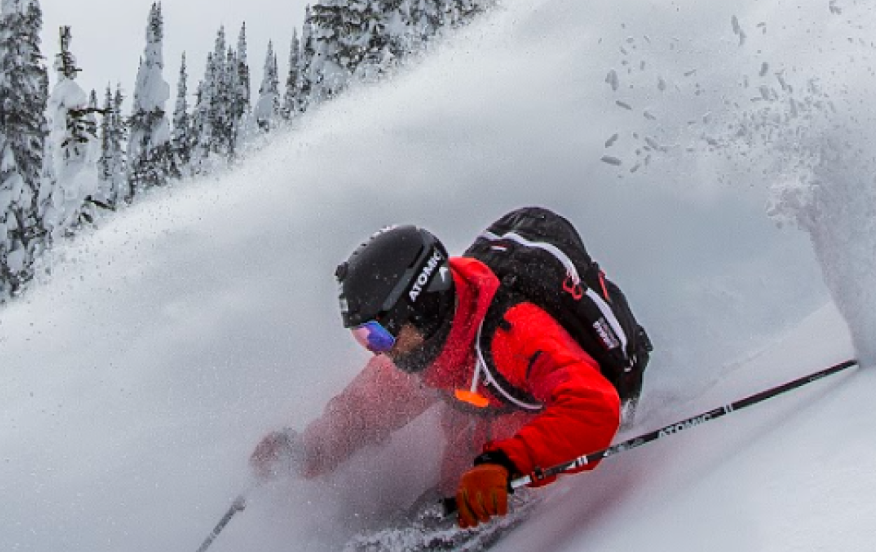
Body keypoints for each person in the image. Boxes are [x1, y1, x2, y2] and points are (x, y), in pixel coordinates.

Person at [251, 224, 622, 529]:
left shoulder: (514, 334)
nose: (378, 348)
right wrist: (305, 453)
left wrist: (509, 465)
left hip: (528, 477)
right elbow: (363, 411)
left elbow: (594, 406)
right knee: (392, 543)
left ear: (423, 306)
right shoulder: (424, 354)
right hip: (473, 479)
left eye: (378, 334)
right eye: (363, 338)